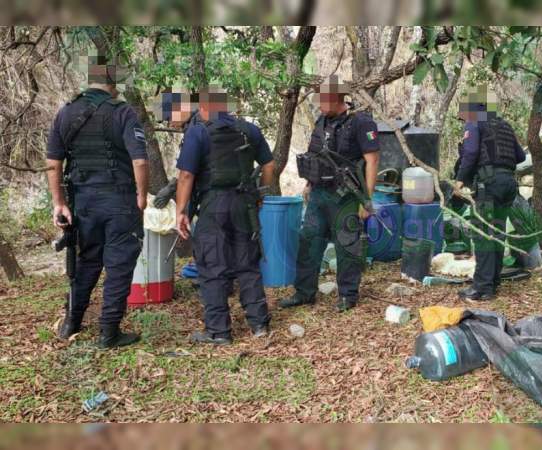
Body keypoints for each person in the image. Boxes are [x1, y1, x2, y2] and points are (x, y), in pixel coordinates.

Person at [46, 53, 149, 348]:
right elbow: (139, 161)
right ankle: (109, 332)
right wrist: (141, 196)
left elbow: (53, 164)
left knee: (87, 261)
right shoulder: (123, 112)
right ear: (112, 83)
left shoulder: (65, 113)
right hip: (119, 201)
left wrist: (59, 203)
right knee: (119, 264)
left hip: (84, 202)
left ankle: (71, 322)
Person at [173, 88, 275, 345]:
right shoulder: (249, 130)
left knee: (212, 265)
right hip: (244, 204)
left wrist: (181, 211)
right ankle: (259, 324)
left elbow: (186, 175)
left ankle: (219, 331)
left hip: (213, 204)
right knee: (248, 263)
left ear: (206, 108)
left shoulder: (198, 132)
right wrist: (260, 194)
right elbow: (269, 165)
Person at [278, 75, 380, 312]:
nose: (320, 105)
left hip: (346, 196)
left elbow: (372, 161)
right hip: (319, 194)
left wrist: (367, 199)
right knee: (309, 242)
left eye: (324, 100)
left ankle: (347, 295)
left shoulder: (361, 123)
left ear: (337, 99)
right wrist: (308, 185)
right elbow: (314, 154)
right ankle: (304, 292)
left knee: (347, 245)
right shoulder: (321, 121)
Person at [454, 86, 527, 302]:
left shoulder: (475, 122)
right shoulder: (504, 125)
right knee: (497, 233)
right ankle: (493, 281)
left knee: (484, 235)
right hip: (508, 184)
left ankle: (482, 288)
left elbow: (471, 152)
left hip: (489, 185)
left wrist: (460, 180)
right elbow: (521, 156)